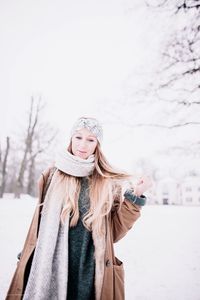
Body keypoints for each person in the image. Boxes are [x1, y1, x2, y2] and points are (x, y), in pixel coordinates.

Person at [6, 116, 152, 300]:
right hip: (48, 267)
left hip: (89, 272)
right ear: (71, 139)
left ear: (97, 144)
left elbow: (113, 232)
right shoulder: (51, 176)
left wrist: (134, 198)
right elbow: (39, 225)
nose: (83, 145)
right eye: (78, 137)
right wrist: (30, 254)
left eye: (90, 139)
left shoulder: (107, 183)